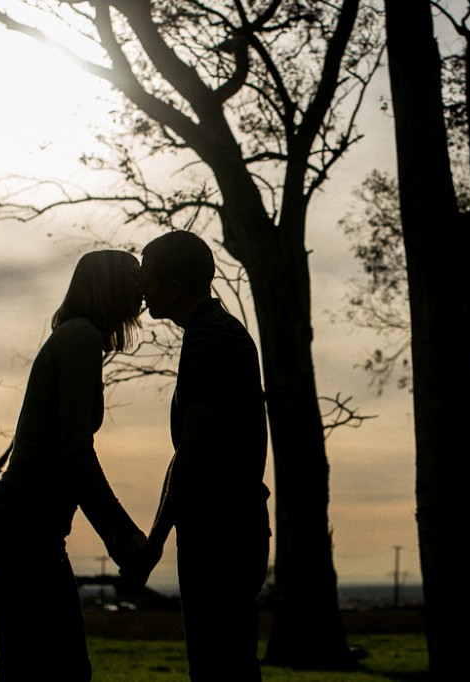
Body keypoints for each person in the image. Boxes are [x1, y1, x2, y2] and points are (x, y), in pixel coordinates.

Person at [0, 250, 148, 682]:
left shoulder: (77, 338)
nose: (140, 287)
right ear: (106, 286)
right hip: (23, 528)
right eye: (131, 278)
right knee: (60, 668)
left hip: (27, 528)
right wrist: (122, 534)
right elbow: (76, 452)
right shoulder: (81, 340)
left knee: (34, 666)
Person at [126, 231, 270, 681]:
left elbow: (193, 448)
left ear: (174, 288)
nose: (141, 291)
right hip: (236, 524)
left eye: (149, 281)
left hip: (219, 531)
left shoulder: (207, 338)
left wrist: (155, 539)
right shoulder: (221, 331)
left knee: (216, 666)